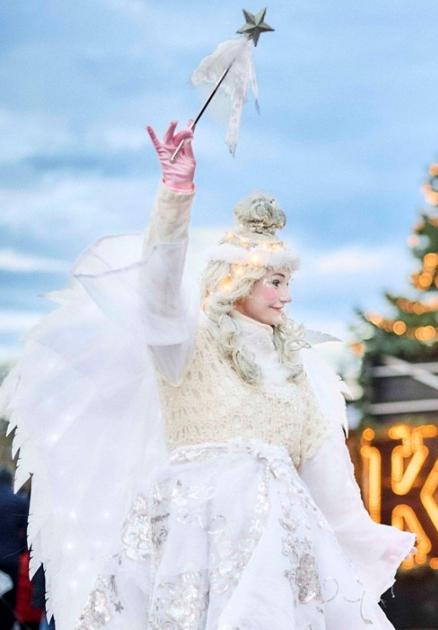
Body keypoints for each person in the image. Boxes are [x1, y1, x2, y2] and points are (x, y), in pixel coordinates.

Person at [0, 121, 415, 629]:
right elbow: (157, 290)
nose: (286, 296)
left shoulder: (298, 373)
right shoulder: (187, 346)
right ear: (237, 280)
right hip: (190, 550)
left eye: (289, 282)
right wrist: (176, 196)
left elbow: (329, 482)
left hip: (278, 565)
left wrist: (365, 537)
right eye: (275, 281)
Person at [0, 468, 29, 629]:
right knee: (8, 604)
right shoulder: (19, 502)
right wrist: (22, 549)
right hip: (10, 560)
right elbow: (28, 532)